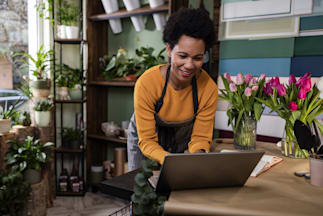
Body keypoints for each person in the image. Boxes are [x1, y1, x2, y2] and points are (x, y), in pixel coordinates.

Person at [127, 7, 218, 171]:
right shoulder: (147, 84)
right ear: (169, 49)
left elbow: (200, 137)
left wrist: (197, 155)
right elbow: (147, 141)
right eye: (182, 56)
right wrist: (170, 161)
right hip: (145, 143)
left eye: (198, 58)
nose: (189, 65)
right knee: (142, 192)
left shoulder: (208, 88)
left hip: (182, 141)